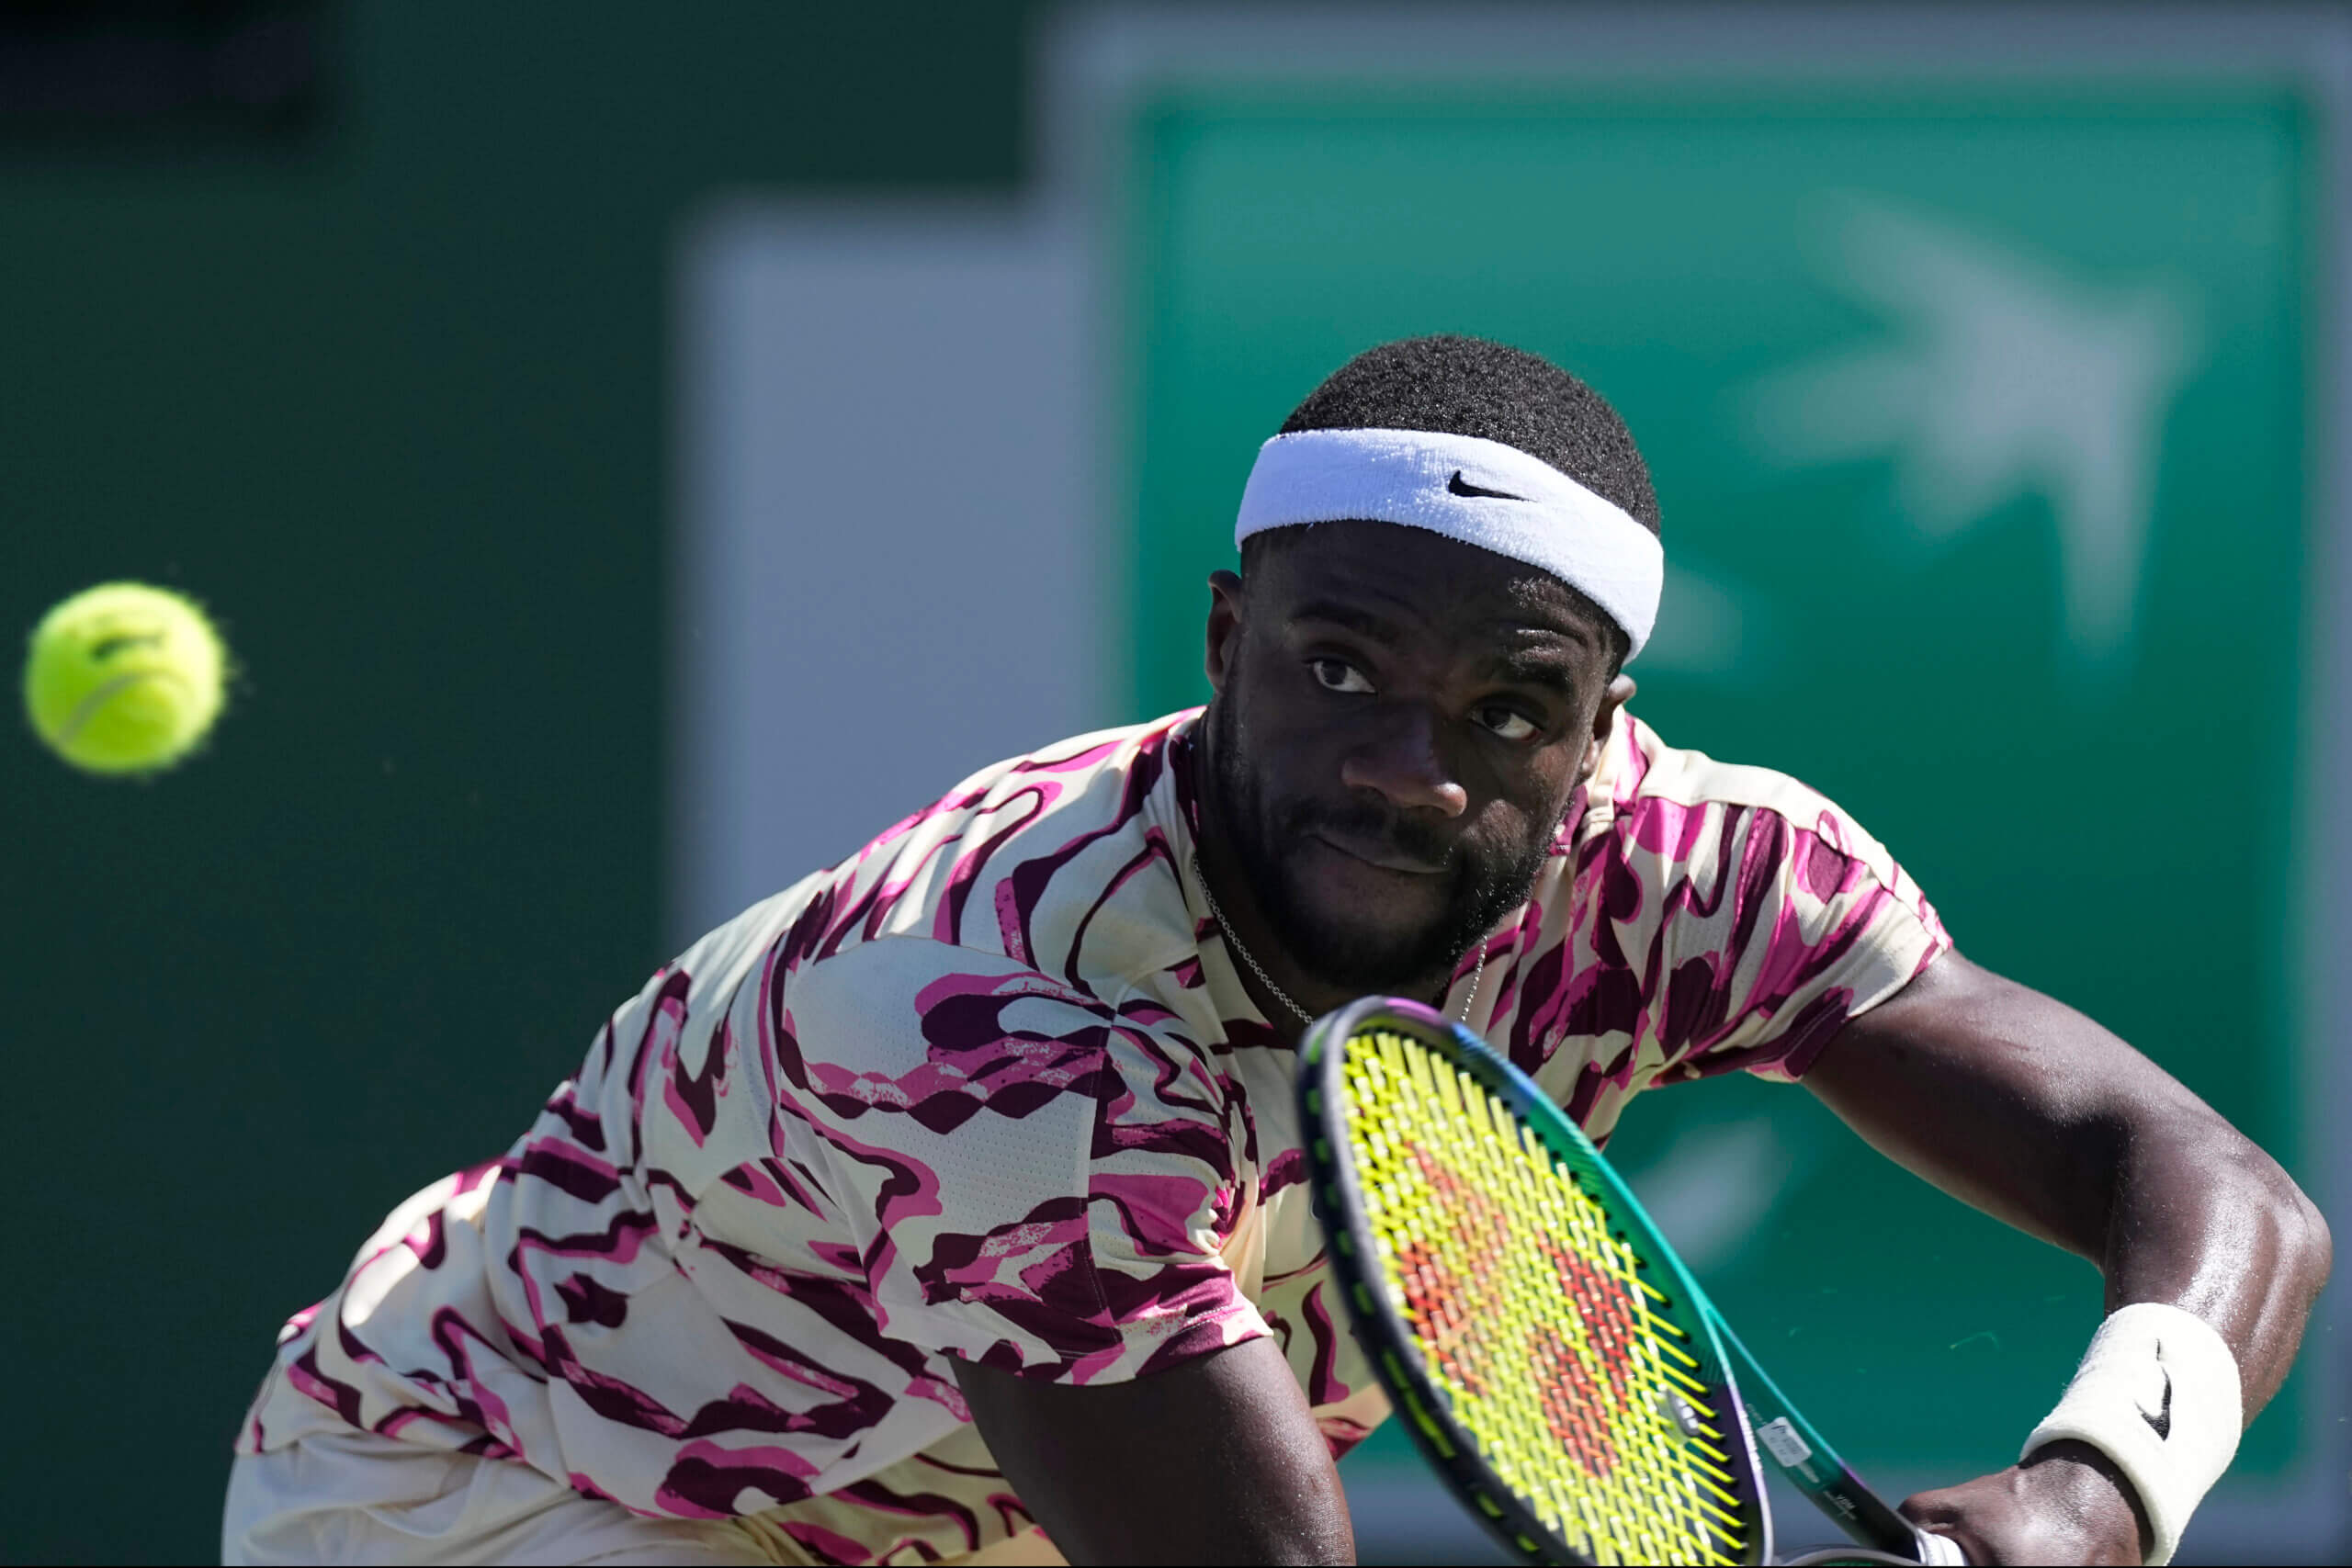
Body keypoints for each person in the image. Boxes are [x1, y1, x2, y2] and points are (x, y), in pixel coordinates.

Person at [224, 335, 2329, 1567]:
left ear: (1598, 726)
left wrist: (2092, 1495)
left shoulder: (1688, 872)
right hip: (504, 1496)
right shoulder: (1002, 1011)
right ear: (1226, 645)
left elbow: (2223, 1198)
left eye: (1507, 704)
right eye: (1338, 665)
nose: (1408, 769)